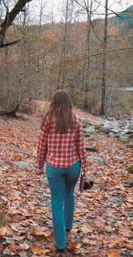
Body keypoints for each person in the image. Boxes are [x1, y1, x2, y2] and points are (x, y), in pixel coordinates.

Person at [36, 90, 88, 253]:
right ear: (69, 103)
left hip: (54, 167)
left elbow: (41, 145)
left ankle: (60, 244)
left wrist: (39, 165)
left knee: (57, 202)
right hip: (73, 166)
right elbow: (81, 147)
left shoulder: (47, 120)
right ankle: (68, 226)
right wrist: (85, 170)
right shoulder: (76, 120)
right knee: (70, 195)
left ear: (54, 102)